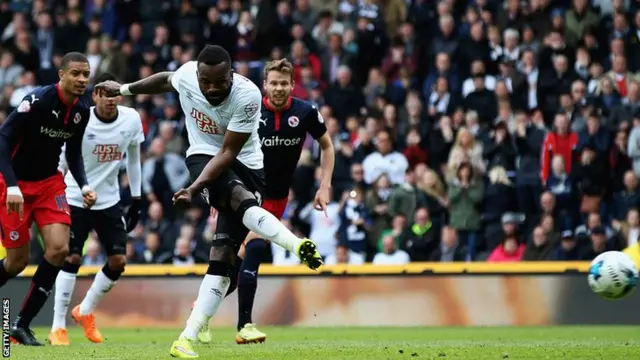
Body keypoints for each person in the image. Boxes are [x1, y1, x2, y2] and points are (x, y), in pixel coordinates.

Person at [94, 45, 323, 359]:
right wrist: (123, 89)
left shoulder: (247, 95)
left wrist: (193, 188)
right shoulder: (187, 75)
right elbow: (165, 80)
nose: (212, 88)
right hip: (202, 156)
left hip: (247, 164)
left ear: (232, 74)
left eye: (219, 82)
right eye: (206, 82)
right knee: (237, 198)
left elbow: (229, 153)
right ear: (198, 75)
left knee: (223, 260)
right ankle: (296, 245)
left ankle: (185, 338)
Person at [196, 58, 335, 345]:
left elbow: (327, 145)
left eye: (284, 83)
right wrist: (219, 189)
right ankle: (244, 325)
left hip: (278, 199)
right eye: (273, 83)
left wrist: (325, 186)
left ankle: (200, 316)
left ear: (293, 85)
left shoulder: (306, 112)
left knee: (231, 273)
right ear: (265, 85)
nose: (279, 88)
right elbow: (225, 148)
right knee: (256, 251)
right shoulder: (251, 110)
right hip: (245, 194)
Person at [0, 52, 97, 346]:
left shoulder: (82, 109)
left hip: (49, 185)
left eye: (86, 74)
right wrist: (13, 186)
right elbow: (3, 139)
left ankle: (20, 325)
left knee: (59, 249)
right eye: (76, 74)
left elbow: (73, 153)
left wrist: (83, 185)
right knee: (16, 263)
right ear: (62, 75)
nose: (82, 80)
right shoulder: (37, 101)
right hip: (13, 185)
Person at [48, 72, 145, 346]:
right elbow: (64, 159)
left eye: (116, 93)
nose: (111, 99)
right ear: (95, 95)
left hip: (109, 200)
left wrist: (137, 199)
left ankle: (85, 310)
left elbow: (134, 160)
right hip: (75, 197)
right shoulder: (81, 118)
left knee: (118, 262)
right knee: (71, 259)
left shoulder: (131, 119)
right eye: (105, 93)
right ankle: (58, 327)